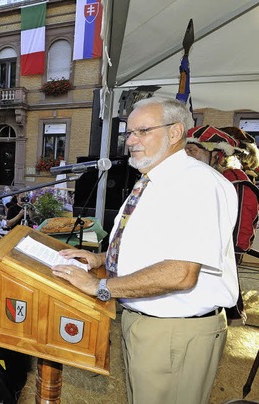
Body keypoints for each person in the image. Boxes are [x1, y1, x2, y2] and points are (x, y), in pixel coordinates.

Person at [52, 97, 238, 404]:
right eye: (129, 133)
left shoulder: (196, 184)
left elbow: (181, 273)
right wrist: (100, 259)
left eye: (142, 131)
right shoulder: (152, 181)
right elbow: (149, 246)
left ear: (175, 132)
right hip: (148, 323)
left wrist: (99, 286)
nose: (131, 141)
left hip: (174, 333)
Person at [184, 125, 259, 325]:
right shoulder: (194, 177)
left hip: (221, 251)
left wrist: (234, 248)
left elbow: (245, 214)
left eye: (192, 150)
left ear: (216, 154)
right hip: (193, 249)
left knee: (221, 290)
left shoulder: (234, 180)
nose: (186, 155)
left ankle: (230, 316)